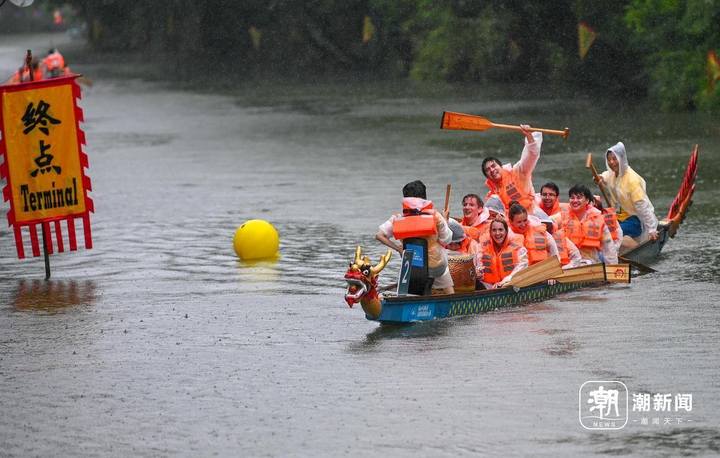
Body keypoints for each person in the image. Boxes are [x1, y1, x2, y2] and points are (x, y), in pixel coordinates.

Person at [376, 180, 454, 294]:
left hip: (411, 267)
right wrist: (445, 221)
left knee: (412, 272)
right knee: (444, 269)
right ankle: (451, 299)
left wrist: (398, 248)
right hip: (436, 267)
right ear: (424, 197)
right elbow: (446, 240)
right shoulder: (436, 216)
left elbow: (379, 235)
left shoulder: (398, 218)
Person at [596, 142, 658, 251]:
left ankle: (637, 249)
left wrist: (652, 229)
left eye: (615, 159)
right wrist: (600, 177)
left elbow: (643, 207)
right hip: (619, 217)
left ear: (621, 159)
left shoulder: (632, 180)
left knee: (611, 233)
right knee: (599, 228)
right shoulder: (613, 174)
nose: (611, 162)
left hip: (635, 220)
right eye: (609, 159)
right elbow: (606, 176)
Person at [482, 124, 542, 213]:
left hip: (532, 216)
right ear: (487, 176)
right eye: (487, 170)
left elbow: (532, 155)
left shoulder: (518, 172)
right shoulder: (492, 197)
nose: (492, 170)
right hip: (511, 223)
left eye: (493, 166)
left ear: (501, 167)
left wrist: (529, 135)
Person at [559, 184, 618, 264]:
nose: (575, 200)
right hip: (568, 264)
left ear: (587, 200)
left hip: (591, 263)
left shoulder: (598, 220)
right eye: (572, 197)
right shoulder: (561, 217)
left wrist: (612, 268)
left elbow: (609, 248)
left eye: (579, 197)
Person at [478, 218, 528, 289]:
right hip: (488, 287)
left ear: (506, 231)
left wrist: (504, 282)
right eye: (494, 230)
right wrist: (478, 272)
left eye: (500, 230)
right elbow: (478, 265)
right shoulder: (482, 248)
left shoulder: (518, 248)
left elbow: (522, 267)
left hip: (511, 285)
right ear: (490, 232)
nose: (497, 233)